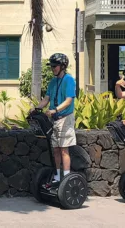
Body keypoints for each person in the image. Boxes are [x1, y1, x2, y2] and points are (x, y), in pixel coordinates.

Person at [37, 53, 77, 188]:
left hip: (65, 118)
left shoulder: (69, 80)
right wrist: (37, 108)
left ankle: (66, 178)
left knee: (64, 149)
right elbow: (47, 98)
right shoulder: (53, 81)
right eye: (52, 66)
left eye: (55, 66)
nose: (53, 68)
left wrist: (55, 110)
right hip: (54, 120)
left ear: (63, 66)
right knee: (55, 149)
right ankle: (56, 177)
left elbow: (69, 100)